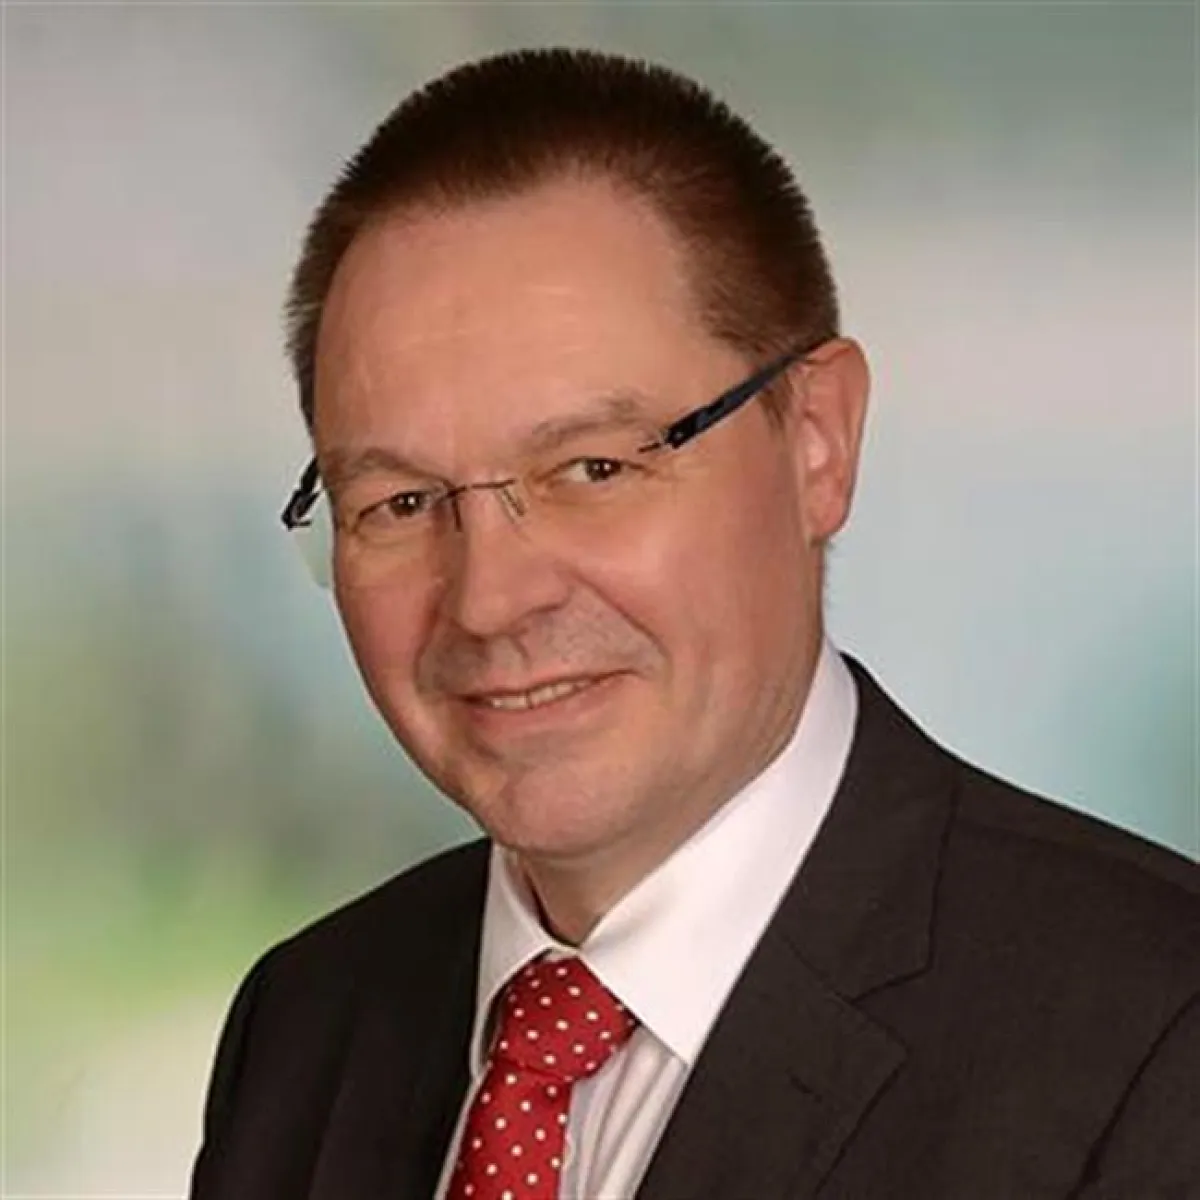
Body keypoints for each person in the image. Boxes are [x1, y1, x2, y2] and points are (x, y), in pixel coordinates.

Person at [190, 48, 1200, 1200]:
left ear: (816, 441)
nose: (489, 599)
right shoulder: (309, 1022)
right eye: (401, 503)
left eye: (593, 468)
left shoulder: (1157, 1045)